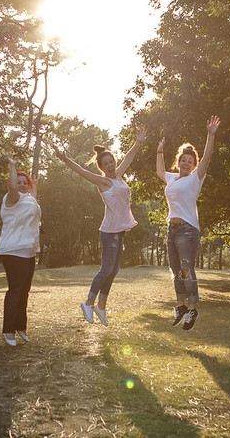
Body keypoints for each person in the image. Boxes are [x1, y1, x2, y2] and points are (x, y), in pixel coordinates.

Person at [53, 126, 148, 327]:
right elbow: (81, 171)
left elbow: (128, 158)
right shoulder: (103, 182)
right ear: (102, 168)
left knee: (114, 270)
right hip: (109, 232)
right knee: (106, 269)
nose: (111, 165)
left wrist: (138, 141)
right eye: (106, 164)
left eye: (112, 161)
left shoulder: (119, 176)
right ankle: (88, 303)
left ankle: (101, 305)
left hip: (119, 231)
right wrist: (63, 158)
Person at [156, 116, 220, 331]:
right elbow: (159, 172)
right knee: (175, 270)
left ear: (194, 165)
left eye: (190, 161)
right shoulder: (172, 178)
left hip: (187, 230)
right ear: (179, 161)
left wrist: (210, 135)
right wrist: (159, 152)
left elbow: (207, 158)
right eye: (183, 160)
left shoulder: (196, 178)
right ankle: (181, 306)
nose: (185, 163)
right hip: (172, 229)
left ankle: (192, 308)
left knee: (185, 268)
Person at [0, 155, 42, 346]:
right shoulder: (11, 198)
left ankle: (20, 326)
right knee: (16, 289)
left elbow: (33, 205)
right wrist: (12, 165)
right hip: (13, 250)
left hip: (28, 251)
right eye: (19, 182)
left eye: (26, 183)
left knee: (25, 290)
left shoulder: (29, 200)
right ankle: (8, 330)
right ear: (12, 184)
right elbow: (15, 188)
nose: (22, 185)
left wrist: (35, 187)